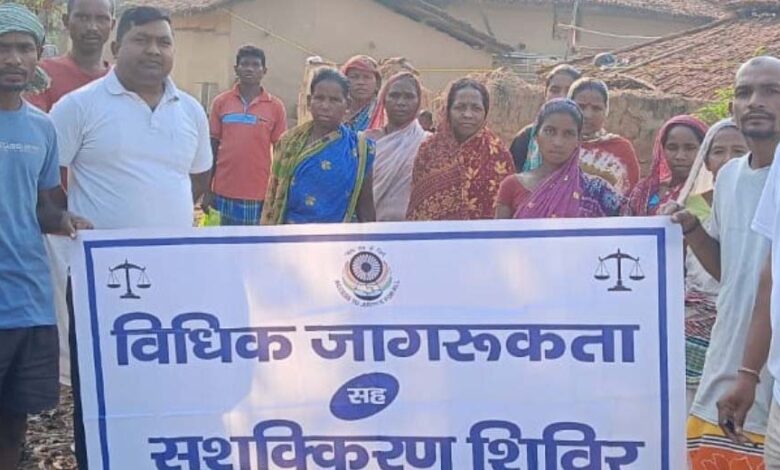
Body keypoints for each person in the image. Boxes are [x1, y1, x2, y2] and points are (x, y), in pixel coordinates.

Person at [50, 7, 213, 468]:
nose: (153, 50)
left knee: (163, 379)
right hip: (101, 281)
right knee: (99, 385)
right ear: (117, 46)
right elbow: (46, 180)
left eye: (164, 41)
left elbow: (197, 178)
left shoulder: (190, 110)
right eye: (141, 40)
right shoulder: (78, 107)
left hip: (173, 280)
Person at [666, 56, 780, 469]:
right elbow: (729, 272)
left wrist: (750, 373)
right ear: (732, 107)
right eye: (744, 92)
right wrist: (693, 230)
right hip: (727, 353)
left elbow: (770, 282)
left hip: (770, 369)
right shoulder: (729, 177)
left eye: (771, 91)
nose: (755, 101)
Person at [0, 4, 91, 468]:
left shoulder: (42, 127)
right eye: (3, 48)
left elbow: (41, 207)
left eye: (24, 48)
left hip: (28, 301)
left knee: (15, 420)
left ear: (38, 54)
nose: (13, 59)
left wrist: (65, 220)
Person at [683, 119, 748, 411]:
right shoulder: (692, 208)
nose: (727, 160)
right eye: (718, 151)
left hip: (740, 330)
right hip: (693, 332)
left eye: (738, 151)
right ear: (706, 161)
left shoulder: (762, 208)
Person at [261, 68, 375, 224]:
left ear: (347, 104)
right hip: (292, 233)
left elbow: (366, 209)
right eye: (319, 98)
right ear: (309, 102)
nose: (325, 106)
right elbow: (274, 195)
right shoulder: (289, 142)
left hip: (338, 235)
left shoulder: (360, 149)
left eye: (334, 100)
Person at [406, 78, 514, 221]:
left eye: (476, 108)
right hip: (435, 234)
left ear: (485, 112)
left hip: (483, 234)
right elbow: (420, 206)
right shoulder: (429, 150)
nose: (467, 114)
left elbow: (507, 209)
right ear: (448, 110)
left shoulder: (499, 155)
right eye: (460, 107)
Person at [496, 99, 622, 219]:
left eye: (568, 134)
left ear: (578, 141)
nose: (558, 142)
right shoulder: (511, 185)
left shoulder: (597, 190)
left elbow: (626, 224)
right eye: (550, 131)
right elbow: (499, 233)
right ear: (536, 136)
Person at [206, 45, 287, 225]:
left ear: (264, 71)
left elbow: (281, 153)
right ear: (236, 69)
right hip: (222, 192)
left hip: (258, 194)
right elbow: (212, 147)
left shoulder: (275, 107)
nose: (250, 69)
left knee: (252, 242)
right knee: (220, 240)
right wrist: (207, 190)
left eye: (255, 65)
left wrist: (277, 194)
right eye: (244, 64)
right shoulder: (221, 102)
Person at [26, 0, 114, 113]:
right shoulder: (42, 73)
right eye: (83, 18)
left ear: (112, 24)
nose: (92, 27)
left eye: (101, 19)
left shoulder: (120, 80)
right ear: (66, 21)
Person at [364, 72, 429, 221]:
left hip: (414, 228)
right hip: (371, 227)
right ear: (383, 100)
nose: (401, 102)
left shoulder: (428, 143)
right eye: (394, 95)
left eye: (409, 97)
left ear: (418, 102)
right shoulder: (365, 142)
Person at [568, 78, 640, 197]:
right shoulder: (557, 145)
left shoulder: (620, 149)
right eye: (581, 106)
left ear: (606, 111)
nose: (588, 115)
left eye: (596, 108)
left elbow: (631, 197)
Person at [626, 115, 708, 216]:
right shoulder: (644, 190)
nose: (680, 156)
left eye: (689, 148)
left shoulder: (709, 193)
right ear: (662, 150)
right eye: (672, 148)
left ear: (704, 150)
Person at [509, 64, 581, 172]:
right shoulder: (526, 138)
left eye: (569, 91)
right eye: (555, 90)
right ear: (545, 94)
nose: (562, 96)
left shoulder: (593, 146)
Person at [341, 54, 382, 132]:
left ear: (377, 84)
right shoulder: (336, 112)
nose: (361, 82)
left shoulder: (384, 115)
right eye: (354, 77)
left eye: (367, 77)